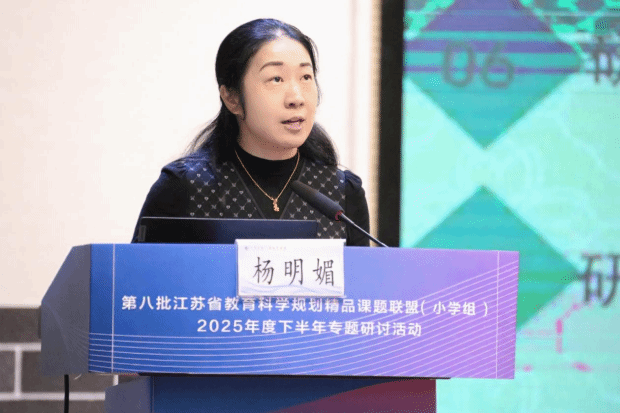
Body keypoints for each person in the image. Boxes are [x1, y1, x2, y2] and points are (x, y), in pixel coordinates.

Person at [132, 18, 370, 246]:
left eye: (306, 77)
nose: (297, 98)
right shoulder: (185, 186)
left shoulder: (342, 192)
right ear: (232, 98)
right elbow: (140, 272)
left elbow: (361, 275)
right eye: (276, 79)